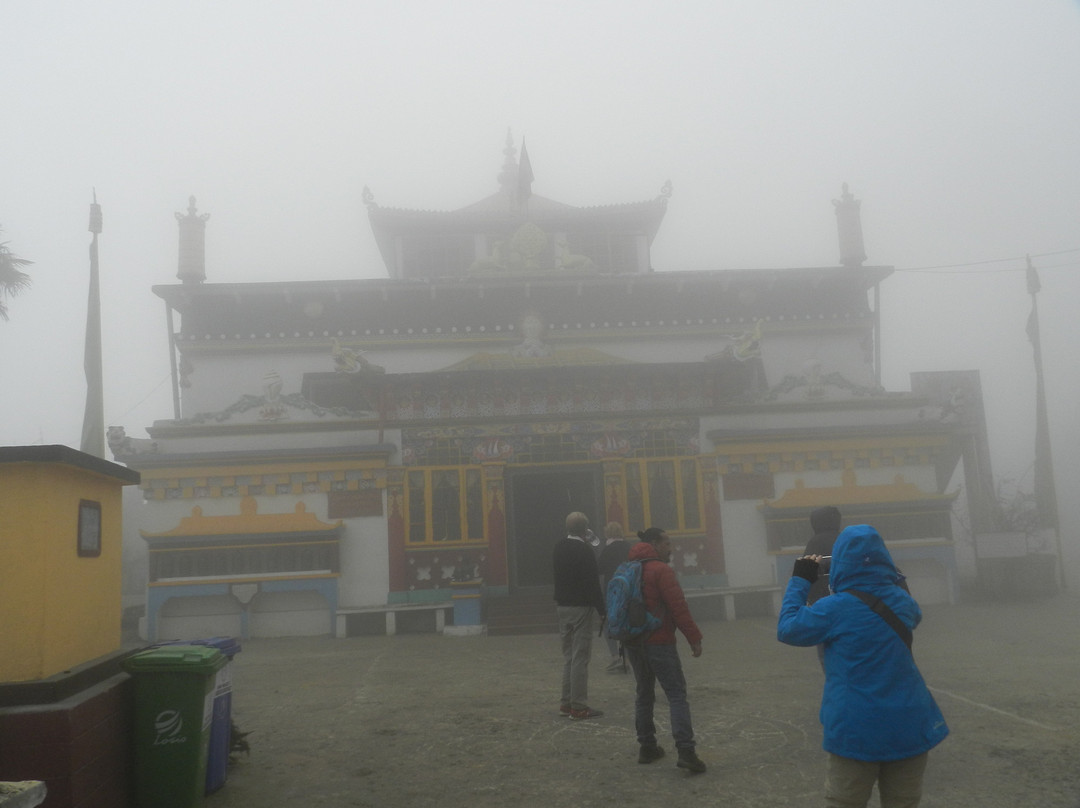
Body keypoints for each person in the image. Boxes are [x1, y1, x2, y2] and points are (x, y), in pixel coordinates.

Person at [777, 524, 948, 808]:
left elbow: (787, 629)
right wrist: (891, 578)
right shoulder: (902, 603)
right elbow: (913, 613)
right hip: (909, 724)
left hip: (855, 730)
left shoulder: (833, 608)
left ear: (840, 563)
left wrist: (800, 580)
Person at [623, 527, 706, 773]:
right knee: (676, 694)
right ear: (655, 544)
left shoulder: (628, 569)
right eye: (667, 543)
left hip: (634, 642)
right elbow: (678, 607)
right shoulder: (661, 570)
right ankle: (686, 751)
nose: (671, 548)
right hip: (659, 641)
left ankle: (647, 746)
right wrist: (694, 638)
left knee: (644, 693)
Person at [553, 511, 606, 720]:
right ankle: (579, 706)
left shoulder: (558, 547)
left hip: (562, 606)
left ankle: (566, 703)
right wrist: (602, 610)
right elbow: (593, 583)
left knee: (568, 656)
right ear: (585, 529)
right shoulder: (585, 550)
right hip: (581, 607)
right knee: (580, 657)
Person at [596, 521, 632, 673]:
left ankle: (615, 656)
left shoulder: (607, 550)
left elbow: (599, 569)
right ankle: (627, 658)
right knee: (627, 623)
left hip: (612, 591)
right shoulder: (629, 547)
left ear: (608, 533)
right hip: (629, 590)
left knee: (608, 622)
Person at [803, 505, 842, 605]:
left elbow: (807, 573)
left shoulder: (814, 543)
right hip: (844, 594)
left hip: (821, 599)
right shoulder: (844, 539)